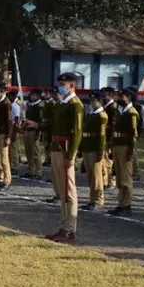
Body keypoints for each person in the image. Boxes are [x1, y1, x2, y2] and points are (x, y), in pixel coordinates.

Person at [45, 73, 83, 243]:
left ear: (72, 85)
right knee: (61, 190)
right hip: (56, 147)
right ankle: (64, 226)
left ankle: (69, 229)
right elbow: (54, 125)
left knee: (68, 191)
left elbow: (77, 132)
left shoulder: (75, 105)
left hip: (65, 150)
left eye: (63, 84)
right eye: (59, 83)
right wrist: (36, 124)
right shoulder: (62, 103)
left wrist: (71, 155)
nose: (60, 86)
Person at [109, 88, 140, 216]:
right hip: (117, 145)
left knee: (126, 178)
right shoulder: (120, 111)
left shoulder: (131, 113)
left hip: (125, 147)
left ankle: (127, 204)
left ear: (128, 97)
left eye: (122, 96)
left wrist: (130, 152)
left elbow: (133, 135)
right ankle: (121, 203)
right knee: (120, 177)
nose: (119, 98)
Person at [79, 90, 108, 211]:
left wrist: (100, 152)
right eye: (91, 101)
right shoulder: (91, 114)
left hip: (95, 149)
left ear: (100, 101)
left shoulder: (101, 116)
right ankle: (92, 199)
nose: (92, 103)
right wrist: (81, 148)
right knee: (91, 176)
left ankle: (98, 200)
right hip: (87, 147)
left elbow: (101, 136)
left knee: (97, 177)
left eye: (94, 100)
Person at [22, 88, 44, 179]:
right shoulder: (29, 105)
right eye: (31, 95)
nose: (32, 96)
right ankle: (30, 170)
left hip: (34, 131)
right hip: (27, 130)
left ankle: (38, 171)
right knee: (28, 152)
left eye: (34, 95)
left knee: (35, 152)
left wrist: (38, 132)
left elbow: (40, 120)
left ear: (38, 96)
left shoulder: (40, 106)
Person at [100, 86, 117, 189]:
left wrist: (111, 140)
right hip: (103, 136)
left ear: (110, 95)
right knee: (103, 160)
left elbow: (113, 125)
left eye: (104, 95)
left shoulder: (113, 107)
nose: (102, 97)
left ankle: (111, 181)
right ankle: (105, 180)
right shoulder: (105, 106)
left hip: (109, 137)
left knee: (108, 160)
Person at [128, 85, 143, 179]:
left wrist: (136, 134)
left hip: (133, 132)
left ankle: (136, 172)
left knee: (132, 152)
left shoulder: (136, 106)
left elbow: (139, 122)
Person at [41, 87, 57, 167]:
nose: (45, 95)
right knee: (45, 143)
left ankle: (50, 159)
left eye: (47, 93)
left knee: (49, 143)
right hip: (44, 124)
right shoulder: (45, 103)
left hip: (49, 125)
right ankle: (46, 158)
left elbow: (52, 116)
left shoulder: (52, 103)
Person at [8, 90, 22, 174]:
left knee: (14, 148)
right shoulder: (10, 105)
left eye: (10, 96)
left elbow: (16, 118)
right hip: (10, 127)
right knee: (10, 149)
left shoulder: (15, 106)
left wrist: (15, 131)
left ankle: (15, 166)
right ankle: (11, 164)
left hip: (14, 128)